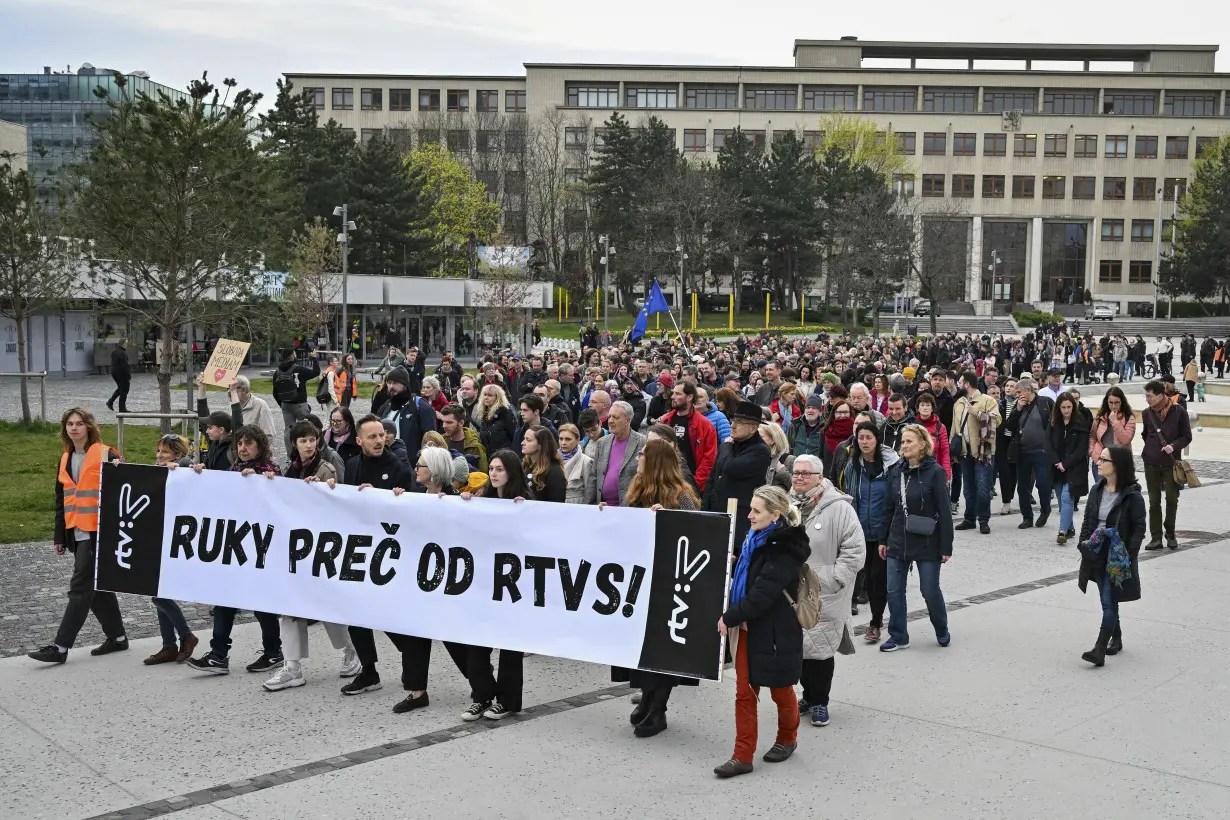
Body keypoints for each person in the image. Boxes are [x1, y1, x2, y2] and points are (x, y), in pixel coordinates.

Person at [714, 486, 810, 778]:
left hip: (774, 631)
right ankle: (742, 756)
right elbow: (753, 572)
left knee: (780, 690)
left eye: (756, 511)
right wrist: (736, 563)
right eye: (751, 508)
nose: (750, 515)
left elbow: (763, 594)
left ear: (776, 515)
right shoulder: (755, 538)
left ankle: (787, 738)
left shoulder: (783, 548)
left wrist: (729, 616)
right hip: (749, 627)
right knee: (744, 693)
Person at [615, 437, 703, 737]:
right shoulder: (637, 488)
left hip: (670, 582)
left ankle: (659, 709)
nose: (638, 457)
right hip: (641, 578)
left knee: (663, 647)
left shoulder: (680, 494)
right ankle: (648, 698)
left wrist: (667, 520)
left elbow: (697, 531)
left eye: (642, 454)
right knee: (643, 643)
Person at [30, 408, 130, 665]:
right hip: (76, 533)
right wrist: (59, 536)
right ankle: (118, 638)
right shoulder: (65, 459)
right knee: (96, 589)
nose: (74, 428)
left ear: (89, 427)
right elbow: (61, 501)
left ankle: (60, 648)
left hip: (99, 533)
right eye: (69, 424)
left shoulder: (106, 453)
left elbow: (125, 492)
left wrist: (122, 469)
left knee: (80, 588)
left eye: (79, 424)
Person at [185, 425, 283, 675]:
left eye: (249, 443)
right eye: (240, 444)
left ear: (260, 446)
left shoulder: (271, 472)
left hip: (259, 549)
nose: (243, 448)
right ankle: (218, 654)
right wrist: (199, 475)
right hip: (234, 548)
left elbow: (280, 505)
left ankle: (273, 652)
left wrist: (262, 482)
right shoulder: (232, 471)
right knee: (224, 601)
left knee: (262, 606)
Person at [791, 455, 865, 728]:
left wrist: (835, 580)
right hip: (792, 589)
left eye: (805, 473)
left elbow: (855, 549)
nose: (799, 477)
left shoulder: (839, 508)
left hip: (825, 590)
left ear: (819, 477)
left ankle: (821, 701)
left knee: (820, 650)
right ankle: (808, 697)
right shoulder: (788, 505)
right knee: (800, 648)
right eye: (796, 472)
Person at [454, 450, 529, 720]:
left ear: (511, 472)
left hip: (512, 586)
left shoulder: (525, 502)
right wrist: (463, 504)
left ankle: (507, 700)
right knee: (476, 644)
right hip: (484, 584)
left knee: (509, 646)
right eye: (492, 469)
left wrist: (526, 513)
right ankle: (482, 695)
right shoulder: (482, 500)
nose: (494, 473)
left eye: (500, 469)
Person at [879, 424, 954, 652]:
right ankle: (898, 636)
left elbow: (944, 511)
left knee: (929, 590)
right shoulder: (896, 471)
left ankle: (941, 629)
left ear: (923, 444)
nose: (905, 446)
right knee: (894, 590)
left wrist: (946, 546)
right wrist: (883, 539)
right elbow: (888, 508)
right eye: (903, 442)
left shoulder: (936, 472)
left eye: (910, 441)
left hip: (927, 540)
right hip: (898, 539)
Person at [1077, 445, 1146, 667]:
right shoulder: (1096, 490)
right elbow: (1088, 520)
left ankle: (1099, 648)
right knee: (1108, 598)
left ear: (1116, 466)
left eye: (1103, 459)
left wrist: (1129, 555)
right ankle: (1116, 638)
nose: (1098, 462)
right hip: (1095, 553)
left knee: (1108, 600)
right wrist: (1083, 545)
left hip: (1115, 556)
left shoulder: (1132, 496)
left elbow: (1139, 528)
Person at [143, 436, 200, 665]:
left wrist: (181, 468)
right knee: (159, 591)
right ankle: (169, 645)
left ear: (177, 455)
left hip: (176, 539)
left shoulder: (182, 469)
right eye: (157, 451)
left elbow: (191, 474)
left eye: (164, 452)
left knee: (159, 592)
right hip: (158, 537)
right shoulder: (159, 471)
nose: (159, 455)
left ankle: (186, 636)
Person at [842, 421, 899, 632]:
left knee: (877, 578)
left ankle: (876, 621)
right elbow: (848, 495)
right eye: (861, 438)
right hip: (859, 531)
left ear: (877, 439)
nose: (865, 442)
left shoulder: (892, 466)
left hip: (884, 532)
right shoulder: (852, 466)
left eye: (869, 438)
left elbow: (896, 498)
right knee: (861, 576)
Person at [703, 400, 771, 550]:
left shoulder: (760, 451)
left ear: (753, 428)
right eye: (733, 420)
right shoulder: (730, 446)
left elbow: (730, 467)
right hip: (715, 516)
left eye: (739, 422)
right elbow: (712, 479)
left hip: (739, 521)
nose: (732, 425)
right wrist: (705, 510)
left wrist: (726, 445)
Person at [1141, 379, 1193, 550]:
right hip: (1151, 463)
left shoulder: (1179, 412)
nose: (1147, 399)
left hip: (1171, 464)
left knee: (1172, 499)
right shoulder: (1146, 413)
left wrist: (1174, 446)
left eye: (1149, 396)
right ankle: (1156, 538)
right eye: (1146, 396)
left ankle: (1170, 533)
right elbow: (1145, 434)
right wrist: (1151, 449)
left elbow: (1187, 436)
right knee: (1154, 501)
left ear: (1160, 395)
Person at [951, 371, 1001, 534]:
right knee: (968, 488)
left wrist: (977, 413)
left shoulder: (987, 400)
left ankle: (984, 520)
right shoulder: (958, 403)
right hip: (965, 451)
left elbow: (997, 421)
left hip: (982, 451)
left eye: (960, 381)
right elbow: (954, 427)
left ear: (966, 383)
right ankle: (969, 518)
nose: (958, 384)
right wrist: (954, 449)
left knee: (983, 488)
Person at [1006, 377, 1055, 529]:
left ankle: (1045, 510)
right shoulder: (1019, 406)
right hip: (1023, 452)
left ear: (1028, 390)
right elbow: (1009, 426)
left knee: (1043, 484)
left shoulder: (1045, 402)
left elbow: (1054, 424)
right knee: (1023, 487)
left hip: (1042, 451)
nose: (1017, 395)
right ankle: (1027, 517)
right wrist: (1018, 409)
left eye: (1019, 392)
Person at [377, 365, 438, 473]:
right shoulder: (386, 406)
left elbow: (431, 440)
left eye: (396, 383)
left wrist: (422, 467)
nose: (391, 386)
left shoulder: (420, 406)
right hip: (385, 464)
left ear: (405, 385)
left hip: (411, 468)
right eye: (389, 382)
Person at [1049, 393, 1091, 545]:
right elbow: (1047, 443)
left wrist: (1065, 464)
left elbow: (1081, 449)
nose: (1066, 410)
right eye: (1063, 407)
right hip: (1056, 467)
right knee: (1061, 500)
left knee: (1067, 498)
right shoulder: (1054, 423)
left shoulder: (1080, 423)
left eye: (1069, 407)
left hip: (1073, 467)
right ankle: (1070, 528)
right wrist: (1056, 462)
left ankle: (1062, 532)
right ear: (1058, 408)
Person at [661, 383, 718, 493]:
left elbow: (709, 459)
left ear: (690, 397)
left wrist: (695, 484)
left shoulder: (705, 425)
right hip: (666, 483)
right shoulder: (666, 420)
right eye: (673, 393)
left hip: (691, 485)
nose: (672, 397)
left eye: (678, 394)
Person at [591, 401, 645, 506]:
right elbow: (593, 477)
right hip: (602, 508)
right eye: (610, 416)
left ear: (627, 420)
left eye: (615, 417)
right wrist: (589, 506)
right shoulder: (602, 442)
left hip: (631, 509)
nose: (610, 421)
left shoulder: (642, 442)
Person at [272, 347, 321, 455]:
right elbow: (316, 372)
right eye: (294, 354)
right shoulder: (298, 369)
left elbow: (275, 393)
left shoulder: (277, 372)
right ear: (292, 356)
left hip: (286, 405)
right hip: (300, 404)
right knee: (308, 428)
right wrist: (314, 359)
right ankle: (309, 452)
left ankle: (291, 455)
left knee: (288, 430)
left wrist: (282, 405)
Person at [1090, 386, 1135, 483]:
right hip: (1100, 460)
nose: (1113, 406)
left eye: (1117, 403)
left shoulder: (1128, 418)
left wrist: (1115, 421)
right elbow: (1093, 438)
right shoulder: (1100, 417)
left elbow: (1126, 440)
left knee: (1119, 493)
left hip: (1120, 462)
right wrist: (1093, 454)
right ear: (1107, 402)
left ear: (1122, 402)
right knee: (1101, 492)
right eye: (1111, 403)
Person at [522, 425, 567, 503]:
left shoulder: (554, 472)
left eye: (528, 440)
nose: (522, 443)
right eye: (524, 439)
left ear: (540, 445)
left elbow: (557, 503)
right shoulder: (524, 466)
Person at [228, 375, 276, 442]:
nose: (229, 391)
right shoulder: (231, 406)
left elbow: (269, 435)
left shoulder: (260, 405)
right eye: (228, 388)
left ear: (243, 390)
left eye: (232, 388)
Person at [441, 404, 488, 472]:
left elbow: (483, 475)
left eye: (449, 422)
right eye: (443, 422)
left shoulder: (474, 446)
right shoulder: (441, 442)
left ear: (461, 423)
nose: (444, 426)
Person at [558, 423, 597, 504]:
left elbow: (590, 492)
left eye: (568, 439)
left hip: (577, 505)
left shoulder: (586, 461)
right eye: (561, 439)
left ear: (577, 440)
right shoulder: (552, 459)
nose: (563, 443)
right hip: (556, 503)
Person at [789, 393, 825, 458]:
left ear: (820, 412)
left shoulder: (825, 427)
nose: (810, 410)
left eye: (814, 408)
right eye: (808, 407)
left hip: (816, 465)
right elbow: (789, 446)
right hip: (797, 464)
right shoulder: (795, 424)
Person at [759, 422, 792, 489]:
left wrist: (782, 471)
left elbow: (798, 488)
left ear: (773, 440)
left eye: (761, 437)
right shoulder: (756, 458)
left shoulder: (788, 459)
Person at [106, 337, 131, 412]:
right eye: (126, 344)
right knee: (124, 389)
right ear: (123, 344)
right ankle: (122, 408)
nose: (127, 345)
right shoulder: (122, 353)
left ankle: (110, 402)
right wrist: (128, 375)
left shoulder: (115, 352)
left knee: (121, 388)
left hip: (114, 373)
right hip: (121, 374)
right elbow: (124, 366)